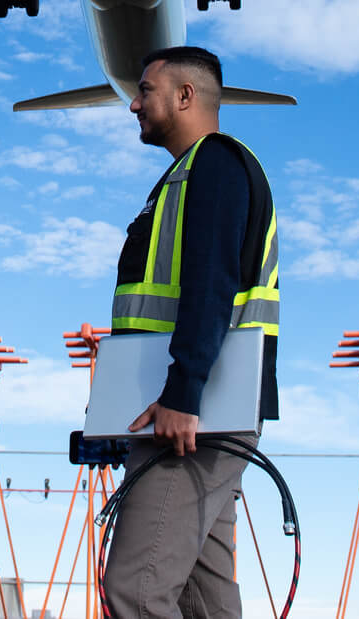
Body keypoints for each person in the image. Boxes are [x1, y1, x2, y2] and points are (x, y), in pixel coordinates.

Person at [102, 46, 280, 619]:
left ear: (185, 96)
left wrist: (183, 394)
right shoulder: (184, 177)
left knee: (137, 590)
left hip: (191, 419)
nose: (133, 103)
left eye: (145, 90)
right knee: (206, 601)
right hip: (193, 414)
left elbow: (211, 283)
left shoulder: (216, 164)